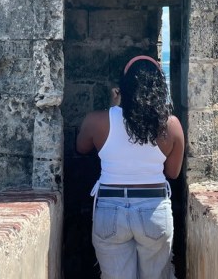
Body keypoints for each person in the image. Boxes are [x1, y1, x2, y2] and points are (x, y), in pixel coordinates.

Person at [76, 55, 185, 279]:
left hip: (110, 208)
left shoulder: (97, 121)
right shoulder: (171, 125)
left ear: (122, 87)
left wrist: (113, 109)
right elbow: (172, 173)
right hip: (153, 209)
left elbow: (81, 148)